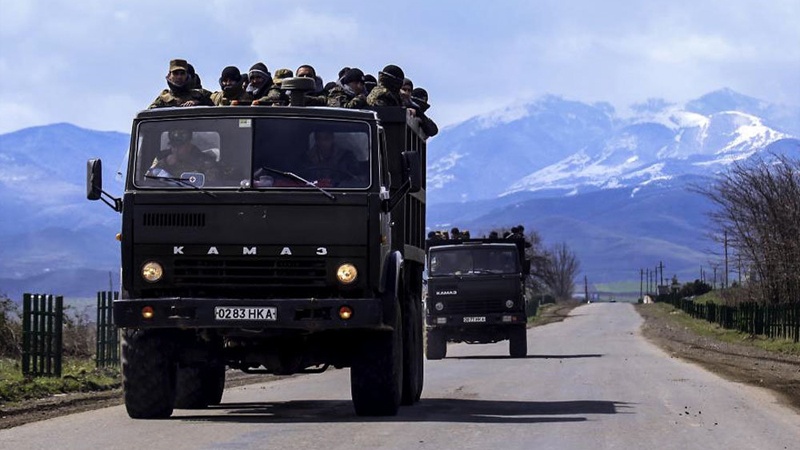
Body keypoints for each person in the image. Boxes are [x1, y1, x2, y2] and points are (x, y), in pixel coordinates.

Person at [148, 129, 217, 177]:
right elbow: (148, 178)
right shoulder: (162, 158)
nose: (176, 150)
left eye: (180, 146)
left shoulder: (204, 162)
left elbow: (213, 185)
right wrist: (165, 163)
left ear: (189, 146)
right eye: (173, 146)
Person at [148, 59, 213, 108]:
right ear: (169, 76)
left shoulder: (201, 94)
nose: (179, 77)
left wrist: (198, 103)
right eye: (175, 73)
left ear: (187, 75)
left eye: (182, 73)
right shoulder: (163, 100)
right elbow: (148, 118)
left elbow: (219, 105)